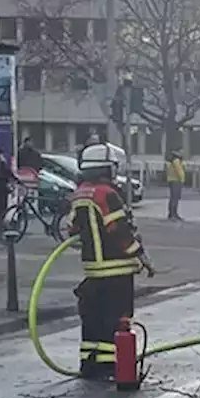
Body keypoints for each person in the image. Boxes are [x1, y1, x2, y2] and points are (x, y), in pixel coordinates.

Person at [66, 143, 153, 380]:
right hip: (117, 269)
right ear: (107, 169)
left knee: (92, 320)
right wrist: (139, 254)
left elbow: (72, 229)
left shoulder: (80, 193)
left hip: (92, 271)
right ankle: (113, 366)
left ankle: (89, 364)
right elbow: (120, 232)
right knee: (115, 320)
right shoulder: (107, 194)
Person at [165, 149, 186, 221]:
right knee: (175, 198)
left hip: (172, 180)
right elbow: (179, 171)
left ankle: (172, 214)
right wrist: (182, 179)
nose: (183, 153)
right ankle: (173, 214)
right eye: (182, 151)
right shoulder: (176, 160)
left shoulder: (173, 160)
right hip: (176, 180)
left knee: (173, 198)